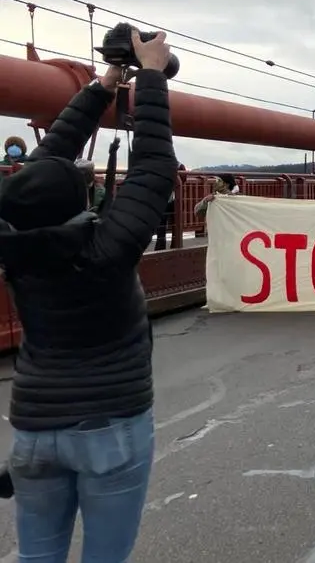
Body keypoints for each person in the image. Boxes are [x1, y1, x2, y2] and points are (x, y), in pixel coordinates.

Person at [0, 30, 176, 561]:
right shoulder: (107, 249)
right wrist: (149, 75)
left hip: (33, 429)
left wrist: (102, 87)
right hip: (111, 424)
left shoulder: (14, 245)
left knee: (37, 556)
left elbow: (43, 167)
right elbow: (154, 166)